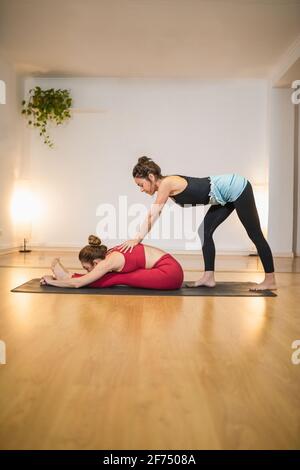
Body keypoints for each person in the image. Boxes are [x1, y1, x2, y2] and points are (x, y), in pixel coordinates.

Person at [119, 157, 276, 291]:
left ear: (151, 177)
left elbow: (153, 214)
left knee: (254, 233)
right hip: (223, 195)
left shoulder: (166, 183)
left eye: (141, 185)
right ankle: (208, 277)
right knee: (204, 232)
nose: (141, 189)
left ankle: (270, 280)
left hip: (237, 187)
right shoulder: (167, 183)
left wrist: (137, 239)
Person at [40, 235, 183, 290]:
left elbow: (79, 284)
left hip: (169, 274)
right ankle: (69, 275)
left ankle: (69, 276)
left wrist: (52, 282)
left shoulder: (108, 261)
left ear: (96, 262)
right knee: (109, 276)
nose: (88, 271)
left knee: (116, 278)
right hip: (170, 269)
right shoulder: (108, 254)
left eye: (87, 268)